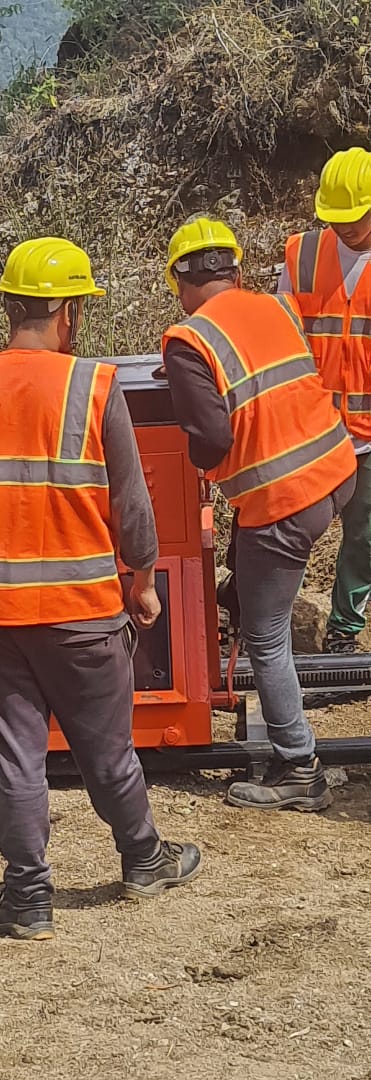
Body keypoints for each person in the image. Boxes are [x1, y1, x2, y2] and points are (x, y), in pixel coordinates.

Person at [0, 236, 201, 941]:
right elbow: (131, 509)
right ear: (69, 311)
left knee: (17, 758)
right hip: (82, 614)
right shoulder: (93, 386)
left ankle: (27, 900)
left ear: (11, 306)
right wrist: (141, 582)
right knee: (106, 750)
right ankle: (142, 859)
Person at [161, 217, 356, 812]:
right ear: (237, 270)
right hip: (335, 470)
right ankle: (239, 590)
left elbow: (211, 441)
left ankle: (299, 767)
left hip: (281, 501)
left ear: (178, 281)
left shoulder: (188, 340)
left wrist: (197, 461)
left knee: (266, 639)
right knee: (251, 590)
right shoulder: (277, 308)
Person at [280, 148, 371, 654]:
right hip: (309, 430)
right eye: (336, 219)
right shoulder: (304, 254)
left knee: (363, 538)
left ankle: (343, 630)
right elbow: (277, 334)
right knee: (289, 535)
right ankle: (268, 625)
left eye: (354, 217)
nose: (346, 228)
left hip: (368, 437)